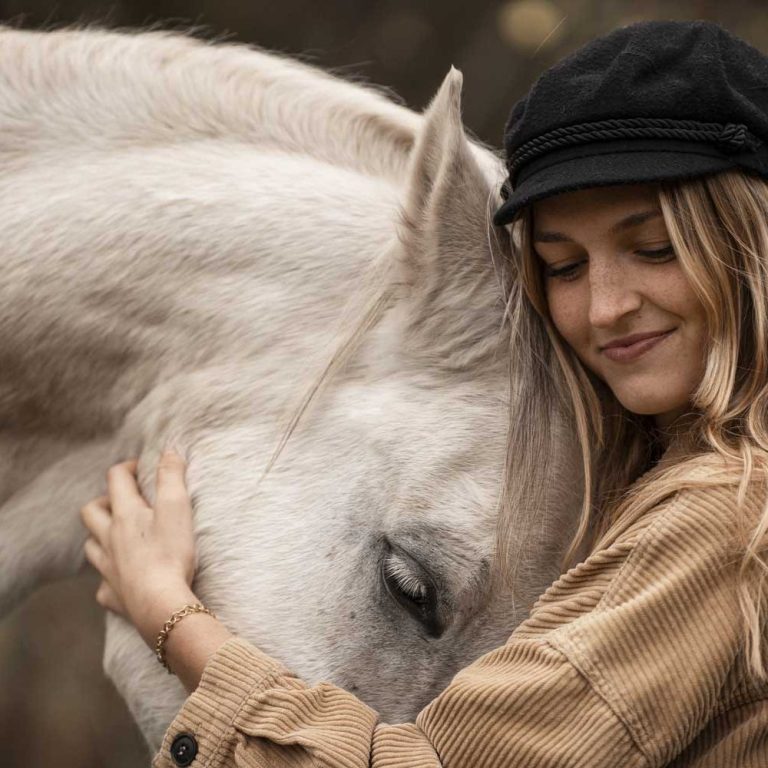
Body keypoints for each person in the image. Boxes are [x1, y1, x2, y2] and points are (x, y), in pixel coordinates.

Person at [80, 20, 768, 767]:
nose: (604, 307)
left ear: (747, 236)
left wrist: (171, 617)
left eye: (654, 248)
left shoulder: (730, 519)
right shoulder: (684, 478)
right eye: (564, 266)